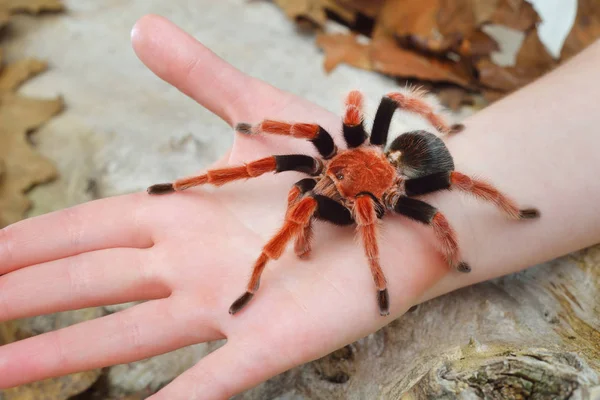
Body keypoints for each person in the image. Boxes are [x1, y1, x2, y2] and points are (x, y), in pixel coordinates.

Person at [0, 15, 599, 400]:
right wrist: (257, 137)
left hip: (403, 165)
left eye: (336, 178)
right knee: (290, 173)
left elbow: (413, 185)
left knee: (437, 189)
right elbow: (329, 134)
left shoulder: (391, 196)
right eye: (332, 174)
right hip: (373, 160)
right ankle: (199, 191)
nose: (327, 185)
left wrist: (391, 270)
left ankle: (504, 207)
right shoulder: (328, 165)